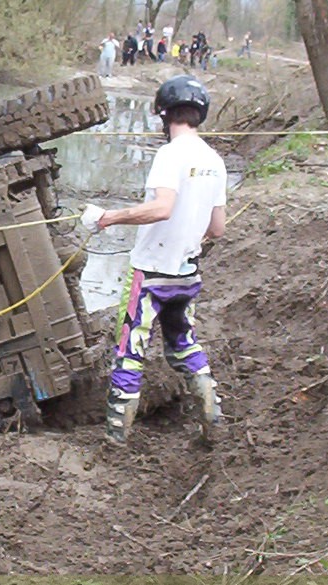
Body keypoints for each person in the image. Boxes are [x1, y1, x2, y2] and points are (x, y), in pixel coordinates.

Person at [80, 75, 226, 444]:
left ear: (164, 115)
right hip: (187, 274)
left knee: (129, 351)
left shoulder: (169, 154)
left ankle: (116, 436)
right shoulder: (214, 160)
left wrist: (109, 217)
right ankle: (211, 413)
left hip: (150, 274)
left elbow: (162, 208)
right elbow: (218, 228)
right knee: (184, 344)